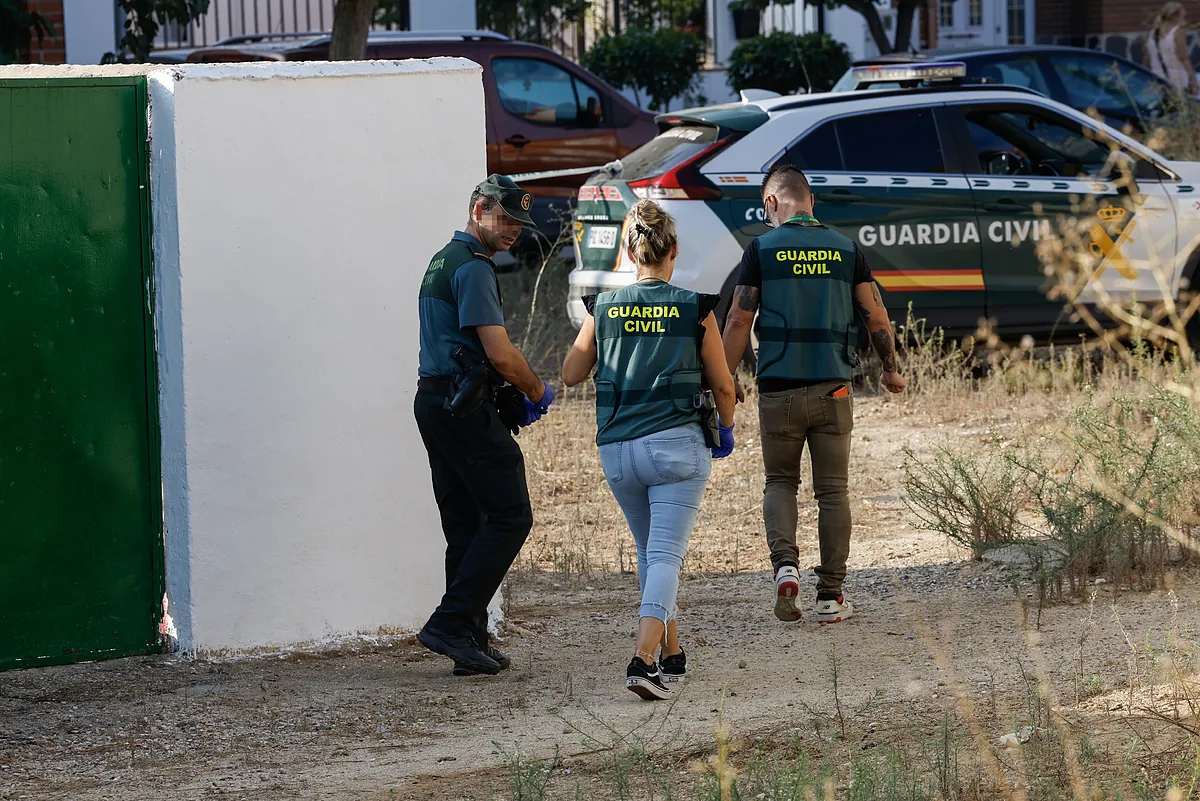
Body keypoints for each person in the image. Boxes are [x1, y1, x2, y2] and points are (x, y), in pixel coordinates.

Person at [562, 200, 737, 700]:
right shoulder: (694, 307)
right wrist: (725, 428)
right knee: (665, 556)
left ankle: (672, 652)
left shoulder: (604, 307)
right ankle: (642, 661)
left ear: (627, 250)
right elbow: (723, 386)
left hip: (618, 451)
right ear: (674, 250)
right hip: (677, 448)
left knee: (650, 553)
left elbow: (573, 373)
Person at [721, 163, 907, 626]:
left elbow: (739, 321)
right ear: (810, 203)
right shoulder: (846, 249)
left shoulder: (761, 249)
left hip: (778, 391)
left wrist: (724, 379)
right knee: (833, 492)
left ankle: (786, 569)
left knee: (780, 482)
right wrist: (891, 370)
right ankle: (831, 596)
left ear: (772, 204)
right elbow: (877, 318)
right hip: (834, 389)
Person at [414, 174, 556, 676]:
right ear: (478, 209)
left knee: (466, 526)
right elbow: (499, 352)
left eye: (519, 222)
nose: (514, 229)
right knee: (511, 515)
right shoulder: (473, 267)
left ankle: (467, 639)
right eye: (505, 218)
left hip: (434, 402)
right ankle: (451, 623)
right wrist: (537, 390)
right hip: (465, 406)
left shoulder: (441, 260)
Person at [1145, 2, 1199, 97]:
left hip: (1156, 79)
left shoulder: (1153, 32)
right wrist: (1194, 80)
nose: (1183, 20)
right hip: (1177, 79)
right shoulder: (1178, 31)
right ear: (1174, 16)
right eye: (1183, 17)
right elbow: (1183, 57)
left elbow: (1147, 58)